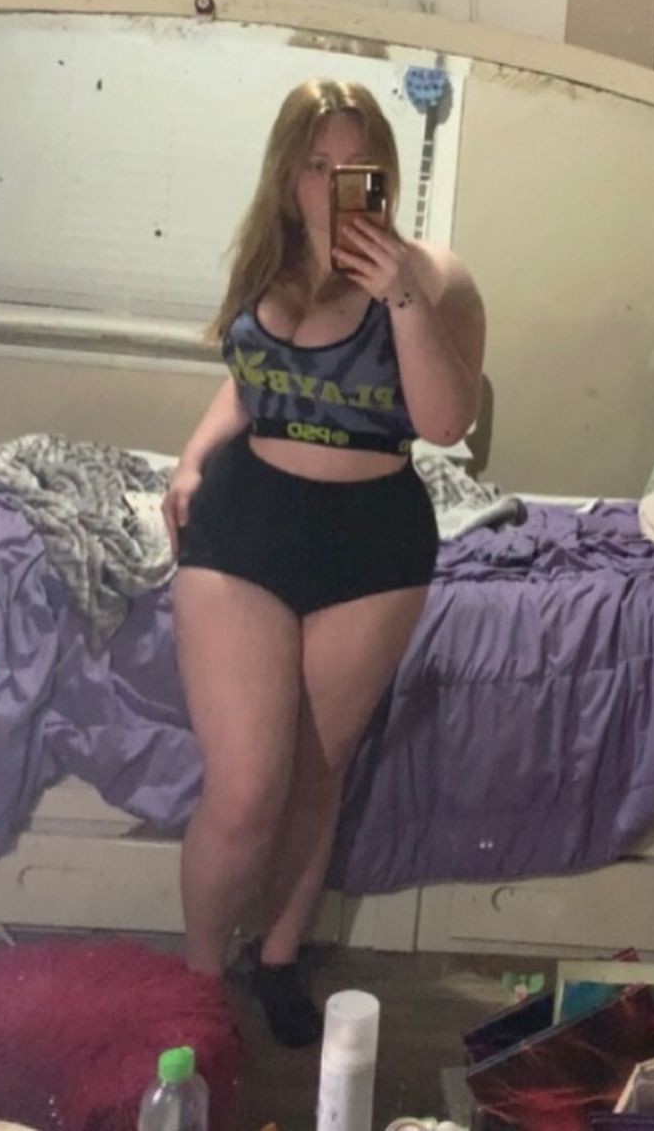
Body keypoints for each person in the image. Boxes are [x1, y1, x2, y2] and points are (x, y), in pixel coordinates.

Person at [161, 78, 485, 1046]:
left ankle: (278, 958)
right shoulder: (268, 263)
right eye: (316, 163)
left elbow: (445, 421)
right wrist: (191, 457)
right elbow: (251, 381)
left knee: (313, 771)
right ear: (286, 173)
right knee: (245, 787)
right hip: (245, 522)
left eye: (356, 163)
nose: (336, 181)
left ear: (384, 171)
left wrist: (401, 294)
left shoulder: (436, 276)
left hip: (371, 543)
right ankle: (197, 983)